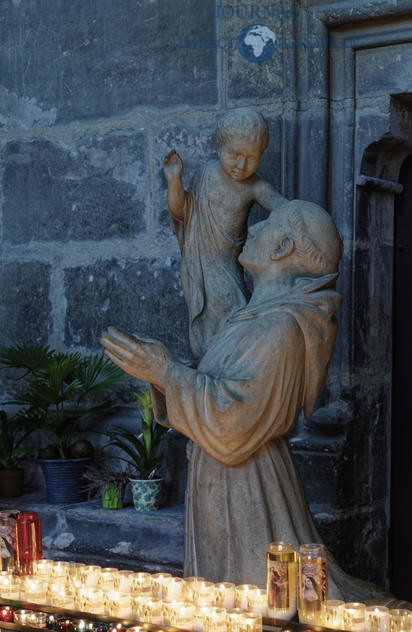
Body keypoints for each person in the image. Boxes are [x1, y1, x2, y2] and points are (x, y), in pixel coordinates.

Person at [101, 200, 394, 602]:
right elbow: (221, 387)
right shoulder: (256, 319)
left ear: (281, 248)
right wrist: (164, 370)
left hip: (245, 483)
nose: (252, 230)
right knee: (226, 605)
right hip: (223, 477)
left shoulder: (279, 328)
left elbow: (236, 422)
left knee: (259, 603)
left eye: (266, 226)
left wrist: (165, 372)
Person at [164, 107, 284, 360]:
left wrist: (309, 221)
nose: (241, 165)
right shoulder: (206, 173)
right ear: (219, 146)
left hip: (227, 268)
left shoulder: (255, 186)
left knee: (236, 322)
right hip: (197, 266)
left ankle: (226, 374)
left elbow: (285, 209)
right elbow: (182, 212)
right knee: (205, 331)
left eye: (251, 158)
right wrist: (175, 181)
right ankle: (209, 377)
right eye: (235, 155)